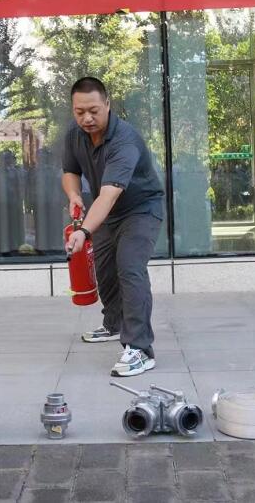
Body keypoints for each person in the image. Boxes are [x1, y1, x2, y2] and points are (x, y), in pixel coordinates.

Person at [63, 77, 164, 377]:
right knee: (104, 268)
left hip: (140, 209)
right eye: (80, 112)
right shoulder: (75, 135)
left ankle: (140, 348)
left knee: (130, 267)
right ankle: (114, 324)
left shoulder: (125, 140)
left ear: (107, 104)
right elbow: (70, 171)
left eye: (93, 110)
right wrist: (73, 195)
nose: (87, 118)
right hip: (106, 212)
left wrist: (84, 231)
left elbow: (108, 194)